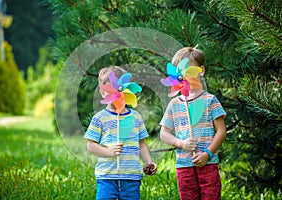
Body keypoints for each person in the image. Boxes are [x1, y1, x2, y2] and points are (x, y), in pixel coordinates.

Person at [159, 47, 227, 200]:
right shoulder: (174, 104)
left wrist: (207, 154)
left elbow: (221, 131)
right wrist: (180, 143)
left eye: (188, 70)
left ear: (200, 70)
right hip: (184, 164)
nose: (183, 75)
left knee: (211, 196)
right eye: (180, 71)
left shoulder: (210, 100)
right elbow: (163, 133)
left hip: (207, 162)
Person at [84, 66, 157, 200]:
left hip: (131, 176)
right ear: (102, 92)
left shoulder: (136, 117)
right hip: (107, 176)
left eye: (119, 89)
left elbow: (141, 144)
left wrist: (149, 162)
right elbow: (91, 145)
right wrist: (109, 152)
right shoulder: (99, 118)